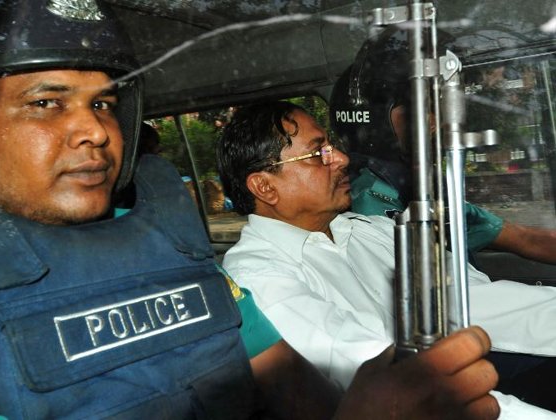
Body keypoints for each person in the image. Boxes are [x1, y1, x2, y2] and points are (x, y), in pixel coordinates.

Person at [0, 1, 500, 419]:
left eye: (103, 102)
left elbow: (297, 393)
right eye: (46, 103)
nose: (94, 130)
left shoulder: (169, 246)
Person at [217, 100, 556, 418]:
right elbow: (395, 382)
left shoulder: (375, 231)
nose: (341, 159)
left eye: (331, 146)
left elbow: (477, 300)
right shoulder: (257, 277)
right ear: (265, 187)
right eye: (318, 153)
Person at [328, 26, 556, 263]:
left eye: (434, 108)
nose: (436, 122)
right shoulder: (366, 201)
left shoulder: (423, 187)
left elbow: (526, 238)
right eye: (419, 110)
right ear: (373, 119)